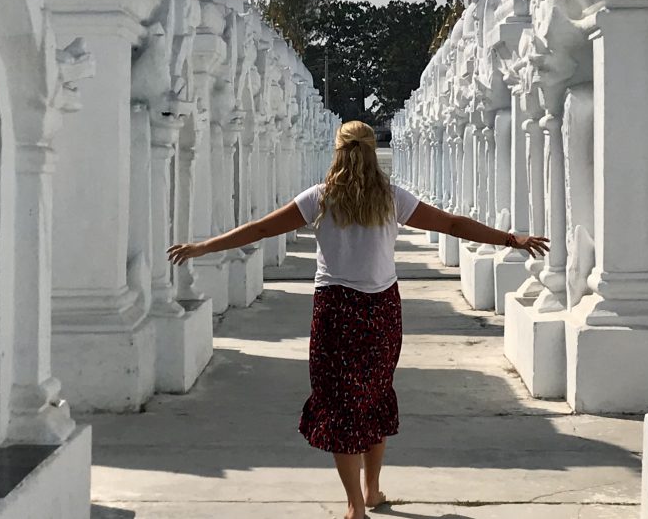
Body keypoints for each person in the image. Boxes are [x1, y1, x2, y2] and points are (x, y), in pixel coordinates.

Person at [168, 120, 548, 519]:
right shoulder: (391, 198)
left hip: (335, 309)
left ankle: (354, 504)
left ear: (337, 151)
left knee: (339, 402)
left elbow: (261, 228)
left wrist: (203, 247)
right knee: (374, 395)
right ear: (372, 150)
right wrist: (511, 239)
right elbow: (452, 223)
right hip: (381, 308)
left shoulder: (320, 198)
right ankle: (372, 489)